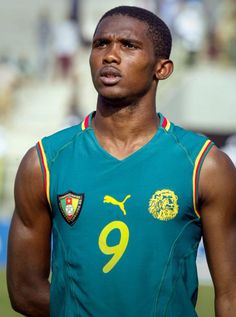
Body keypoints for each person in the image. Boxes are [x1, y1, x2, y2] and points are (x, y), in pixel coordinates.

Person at [7, 6, 236, 317]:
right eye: (100, 43)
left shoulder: (205, 166)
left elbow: (230, 297)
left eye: (128, 45)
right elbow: (23, 290)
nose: (110, 55)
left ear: (163, 68)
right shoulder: (44, 162)